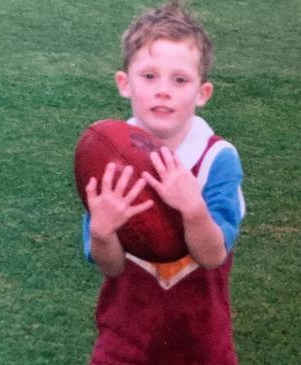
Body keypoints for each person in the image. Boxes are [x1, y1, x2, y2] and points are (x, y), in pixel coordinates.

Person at [81, 2, 245, 364]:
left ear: (202, 93)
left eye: (180, 79)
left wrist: (193, 208)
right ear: (125, 84)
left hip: (201, 341)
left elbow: (213, 256)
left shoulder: (216, 160)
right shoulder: (106, 156)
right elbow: (112, 266)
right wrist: (103, 232)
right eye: (149, 76)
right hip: (124, 339)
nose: (163, 91)